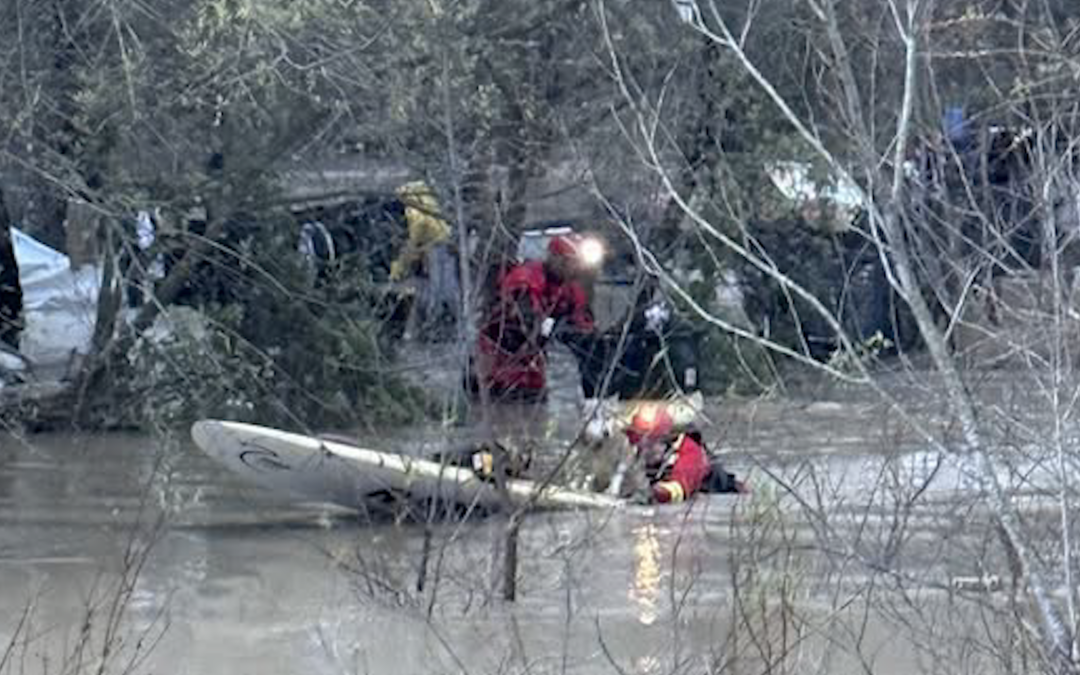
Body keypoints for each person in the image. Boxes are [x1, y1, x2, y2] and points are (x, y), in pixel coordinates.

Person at [472, 234, 598, 400]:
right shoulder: (526, 279)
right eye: (566, 261)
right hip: (496, 358)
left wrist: (588, 336)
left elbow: (583, 322)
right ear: (552, 257)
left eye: (574, 263)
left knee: (535, 401)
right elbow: (526, 322)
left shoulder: (571, 289)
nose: (571, 267)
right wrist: (553, 329)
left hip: (531, 368)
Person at [623, 404, 747, 504]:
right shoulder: (636, 453)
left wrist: (649, 493)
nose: (644, 450)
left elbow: (677, 490)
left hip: (717, 492)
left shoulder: (690, 452)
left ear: (667, 441)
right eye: (639, 443)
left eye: (651, 444)